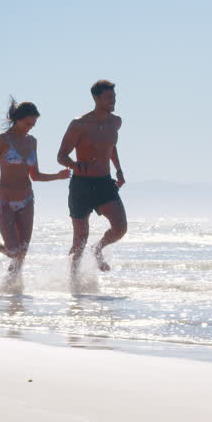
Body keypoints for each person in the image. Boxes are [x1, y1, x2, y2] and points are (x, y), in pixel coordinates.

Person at [0, 98, 71, 284]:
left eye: (33, 124)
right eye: (28, 123)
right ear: (17, 119)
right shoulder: (2, 141)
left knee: (22, 253)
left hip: (27, 200)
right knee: (14, 251)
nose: (30, 127)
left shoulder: (31, 142)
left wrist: (58, 176)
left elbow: (34, 175)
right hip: (5, 201)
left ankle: (11, 291)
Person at [57, 79, 127, 280]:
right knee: (79, 240)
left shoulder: (116, 122)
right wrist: (74, 165)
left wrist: (119, 170)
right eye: (108, 97)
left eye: (114, 97)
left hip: (105, 182)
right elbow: (61, 155)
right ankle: (73, 282)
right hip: (82, 185)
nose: (113, 101)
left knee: (120, 228)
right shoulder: (80, 124)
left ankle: (98, 248)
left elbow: (110, 146)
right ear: (96, 98)